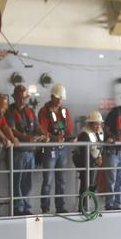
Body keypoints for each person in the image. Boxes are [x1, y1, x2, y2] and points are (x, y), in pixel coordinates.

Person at [5, 83, 43, 215]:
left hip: (30, 153)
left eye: (24, 97)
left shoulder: (30, 110)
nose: (22, 100)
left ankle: (26, 206)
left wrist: (45, 135)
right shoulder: (9, 111)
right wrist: (27, 138)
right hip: (17, 153)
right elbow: (12, 130)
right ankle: (18, 208)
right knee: (17, 181)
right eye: (19, 97)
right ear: (14, 97)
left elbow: (37, 126)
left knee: (27, 182)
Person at [38, 83, 73, 214]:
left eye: (61, 98)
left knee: (61, 180)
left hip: (63, 149)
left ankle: (60, 206)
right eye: (57, 98)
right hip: (50, 149)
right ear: (52, 96)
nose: (59, 100)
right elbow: (42, 130)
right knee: (48, 179)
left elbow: (68, 129)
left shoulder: (64, 111)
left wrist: (71, 137)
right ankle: (45, 208)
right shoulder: (43, 111)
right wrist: (54, 138)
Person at [74, 110, 104, 210]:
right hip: (85, 163)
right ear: (90, 123)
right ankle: (82, 207)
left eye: (99, 124)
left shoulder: (98, 132)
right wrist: (95, 160)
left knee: (92, 184)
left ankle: (85, 205)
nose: (98, 127)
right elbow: (84, 153)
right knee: (85, 184)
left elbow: (99, 145)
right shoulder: (84, 134)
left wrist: (99, 157)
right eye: (96, 124)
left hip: (93, 163)